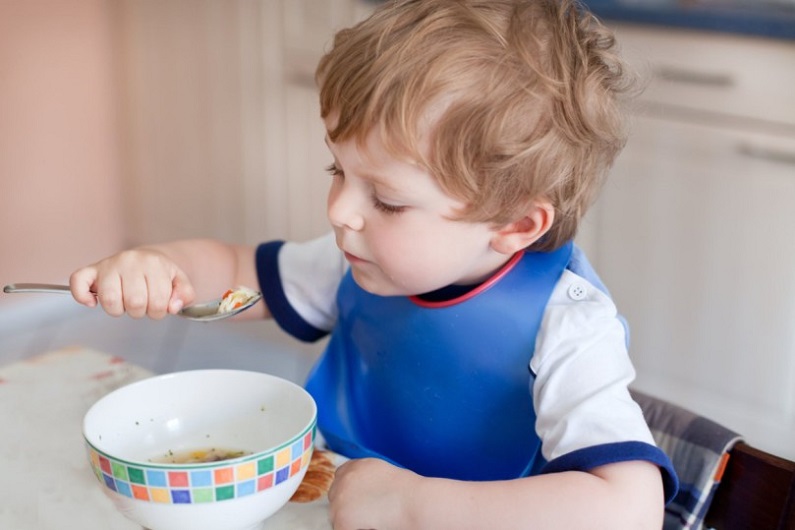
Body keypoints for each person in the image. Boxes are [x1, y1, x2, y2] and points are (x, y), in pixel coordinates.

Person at [70, 0, 677, 528]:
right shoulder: (357, 265)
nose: (340, 211)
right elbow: (232, 270)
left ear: (514, 225)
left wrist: (412, 507)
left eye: (386, 199)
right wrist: (158, 266)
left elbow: (629, 510)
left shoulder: (568, 326)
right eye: (338, 171)